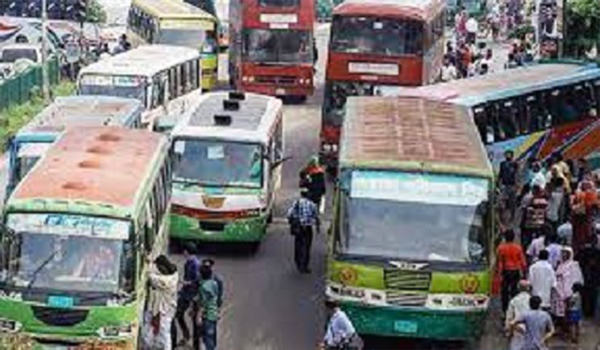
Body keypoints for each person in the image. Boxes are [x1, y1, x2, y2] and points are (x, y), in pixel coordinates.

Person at [144, 255, 178, 350]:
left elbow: (151, 276)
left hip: (165, 308)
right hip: (165, 307)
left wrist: (148, 265)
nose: (158, 270)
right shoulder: (174, 274)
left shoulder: (166, 281)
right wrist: (151, 261)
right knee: (159, 330)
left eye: (159, 268)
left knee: (164, 332)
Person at [173, 243, 200, 348]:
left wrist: (185, 283)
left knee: (195, 321)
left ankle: (195, 344)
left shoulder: (195, 264)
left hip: (193, 296)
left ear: (186, 252)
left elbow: (197, 281)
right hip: (185, 294)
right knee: (178, 315)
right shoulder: (188, 262)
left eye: (184, 251)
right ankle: (186, 335)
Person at [287, 188, 320, 273]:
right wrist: (317, 227)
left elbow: (289, 214)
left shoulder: (296, 203)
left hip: (298, 228)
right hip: (307, 228)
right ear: (308, 195)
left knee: (298, 246)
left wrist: (293, 221)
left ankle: (298, 263)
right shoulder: (312, 204)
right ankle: (304, 266)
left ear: (301, 194)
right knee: (307, 247)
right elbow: (316, 216)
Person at [552, 247, 583, 334]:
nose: (564, 255)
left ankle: (572, 331)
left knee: (571, 312)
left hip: (570, 291)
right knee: (561, 312)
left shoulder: (574, 265)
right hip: (560, 291)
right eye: (563, 253)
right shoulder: (560, 265)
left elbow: (577, 279)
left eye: (566, 253)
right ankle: (564, 328)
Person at [497, 229, 527, 312]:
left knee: (504, 292)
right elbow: (523, 262)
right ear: (513, 237)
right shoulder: (518, 248)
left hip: (506, 271)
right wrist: (524, 272)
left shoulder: (501, 248)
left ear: (505, 238)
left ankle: (505, 310)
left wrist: (499, 275)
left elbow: (500, 263)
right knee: (514, 291)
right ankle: (514, 309)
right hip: (515, 271)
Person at [196, 264, 220, 350]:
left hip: (208, 316)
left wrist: (198, 317)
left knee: (208, 338)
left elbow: (203, 304)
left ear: (201, 275)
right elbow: (216, 297)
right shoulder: (214, 283)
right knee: (212, 337)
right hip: (214, 313)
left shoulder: (203, 287)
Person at [505, 280, 532, 350]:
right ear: (528, 289)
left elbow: (509, 317)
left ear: (518, 288)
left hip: (517, 330)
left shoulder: (514, 301)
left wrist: (508, 330)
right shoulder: (532, 300)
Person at [498, 150, 519, 222]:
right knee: (501, 202)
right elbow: (500, 174)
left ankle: (512, 217)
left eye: (509, 154)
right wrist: (499, 184)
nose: (507, 155)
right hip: (504, 185)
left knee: (512, 202)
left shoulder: (515, 164)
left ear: (512, 155)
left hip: (512, 186)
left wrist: (516, 185)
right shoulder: (502, 164)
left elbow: (517, 174)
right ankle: (502, 217)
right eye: (506, 154)